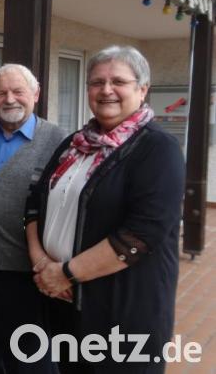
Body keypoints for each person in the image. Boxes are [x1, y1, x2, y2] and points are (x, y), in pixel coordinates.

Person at [25, 45, 184, 373]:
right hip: (65, 302)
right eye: (97, 82)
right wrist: (43, 264)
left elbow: (141, 234)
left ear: (142, 90)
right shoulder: (74, 144)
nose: (106, 90)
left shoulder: (158, 149)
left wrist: (66, 273)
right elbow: (34, 202)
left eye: (118, 82)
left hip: (122, 313)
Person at [0, 64, 64, 373]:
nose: (9, 99)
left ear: (36, 94)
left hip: (26, 269)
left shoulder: (58, 141)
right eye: (1, 93)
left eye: (18, 91)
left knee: (28, 353)